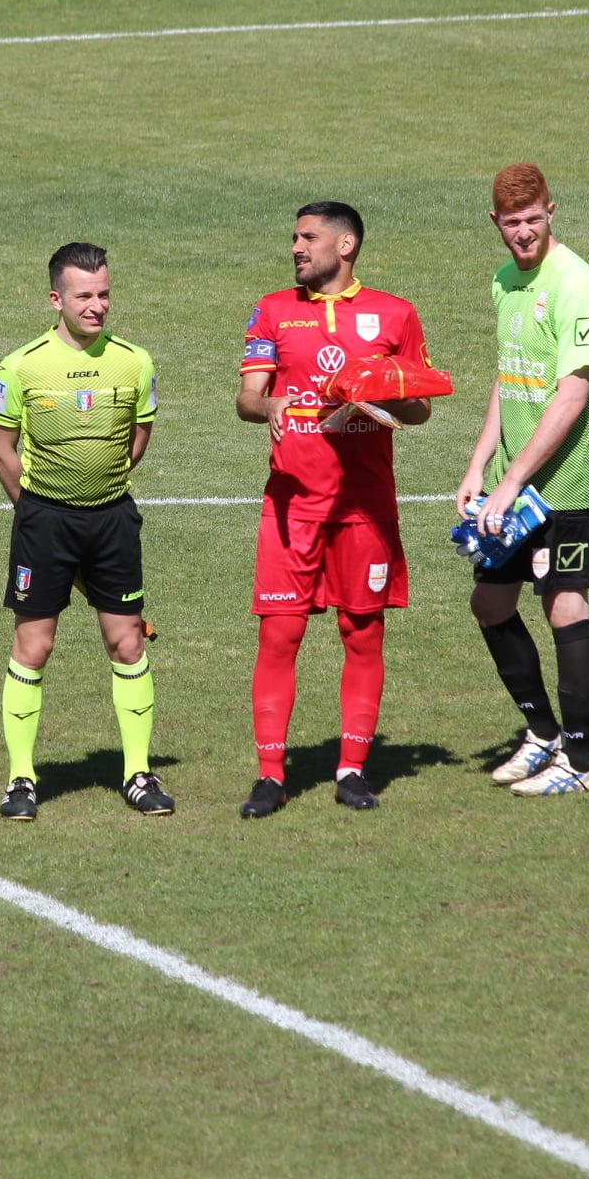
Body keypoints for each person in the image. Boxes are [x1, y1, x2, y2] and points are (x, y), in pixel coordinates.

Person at [234, 202, 435, 818]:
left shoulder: (395, 315)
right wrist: (264, 407)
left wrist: (382, 395)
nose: (296, 247)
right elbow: (247, 396)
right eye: (294, 237)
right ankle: (271, 774)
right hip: (292, 504)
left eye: (308, 237)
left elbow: (421, 406)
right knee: (280, 634)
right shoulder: (273, 309)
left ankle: (352, 769)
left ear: (345, 245)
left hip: (364, 508)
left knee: (361, 631)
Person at [0, 242, 172, 822]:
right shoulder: (20, 366)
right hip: (44, 522)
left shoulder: (135, 362)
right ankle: (21, 779)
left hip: (113, 520)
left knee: (127, 643)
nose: (97, 306)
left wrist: (98, 489)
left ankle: (138, 773)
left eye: (104, 294)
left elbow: (135, 442)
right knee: (33, 647)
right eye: (84, 296)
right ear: (56, 299)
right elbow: (1, 447)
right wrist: (37, 508)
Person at [456, 163, 589, 796]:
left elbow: (571, 397)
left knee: (563, 603)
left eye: (533, 220)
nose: (523, 234)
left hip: (567, 483)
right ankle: (542, 734)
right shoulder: (504, 282)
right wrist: (478, 467)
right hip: (511, 484)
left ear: (554, 211)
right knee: (490, 602)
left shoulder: (579, 285)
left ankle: (581, 761)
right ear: (494, 222)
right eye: (511, 224)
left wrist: (512, 481)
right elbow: (510, 374)